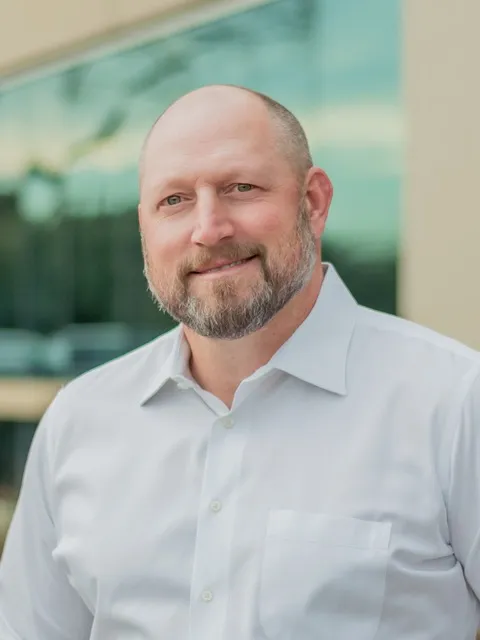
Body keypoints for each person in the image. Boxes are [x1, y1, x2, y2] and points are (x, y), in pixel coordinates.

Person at [1, 84, 480, 640]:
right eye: (174, 201)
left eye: (241, 187)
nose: (208, 229)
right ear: (144, 227)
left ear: (314, 201)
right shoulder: (78, 421)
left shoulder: (455, 401)